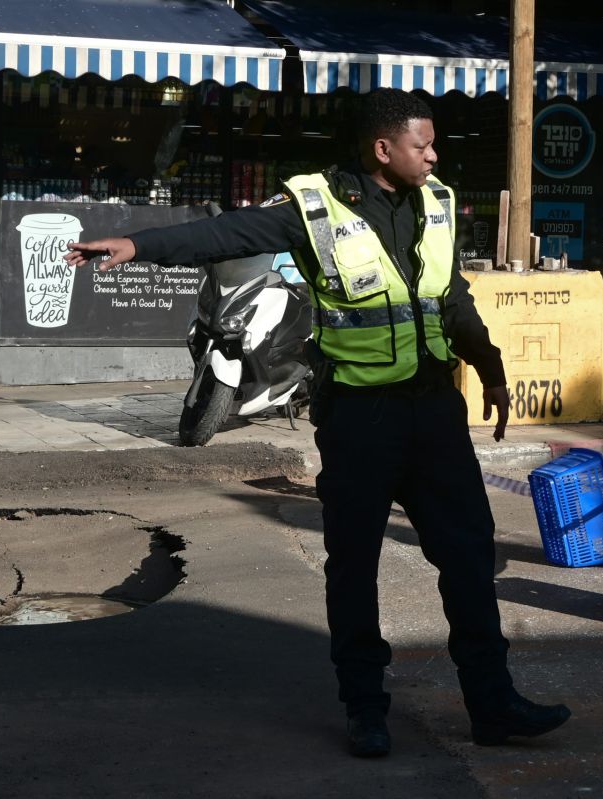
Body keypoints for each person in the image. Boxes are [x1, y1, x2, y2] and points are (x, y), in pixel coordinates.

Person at [65, 89, 570, 756]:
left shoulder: (438, 203)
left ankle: (492, 701)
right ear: (383, 148)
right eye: (423, 144)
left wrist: (492, 365)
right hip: (361, 417)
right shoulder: (314, 206)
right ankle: (366, 708)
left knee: (470, 557)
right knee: (354, 566)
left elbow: (450, 297)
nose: (434, 154)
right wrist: (139, 243)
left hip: (433, 413)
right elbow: (227, 233)